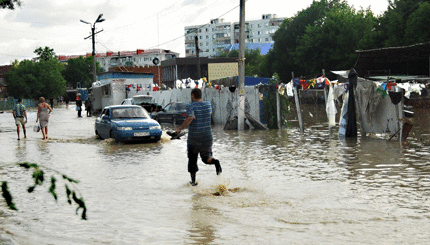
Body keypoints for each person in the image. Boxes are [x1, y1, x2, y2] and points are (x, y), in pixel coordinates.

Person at [175, 88, 222, 186]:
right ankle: (216, 162)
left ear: (192, 95)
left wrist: (179, 129)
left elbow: (190, 118)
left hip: (194, 138)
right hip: (207, 136)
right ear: (200, 95)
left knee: (192, 160)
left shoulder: (190, 105)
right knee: (206, 158)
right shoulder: (208, 105)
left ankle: (193, 182)